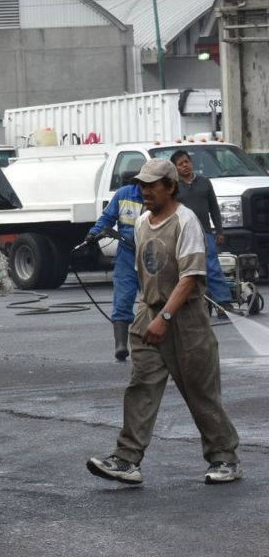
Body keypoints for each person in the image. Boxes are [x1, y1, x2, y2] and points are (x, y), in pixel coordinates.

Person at [86, 158, 242, 486]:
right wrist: (147, 315)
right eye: (142, 185)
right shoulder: (142, 222)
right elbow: (146, 271)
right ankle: (127, 459)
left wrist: (165, 317)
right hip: (149, 314)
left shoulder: (186, 223)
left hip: (185, 321)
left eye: (152, 185)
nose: (145, 191)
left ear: (170, 187)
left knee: (200, 392)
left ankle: (224, 458)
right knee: (141, 385)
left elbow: (189, 279)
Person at [169, 150, 235, 319]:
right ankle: (192, 304)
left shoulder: (204, 182)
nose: (185, 165)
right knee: (187, 270)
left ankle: (224, 302)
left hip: (205, 232)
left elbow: (214, 207)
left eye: (187, 161)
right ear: (175, 168)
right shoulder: (173, 186)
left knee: (212, 267)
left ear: (191, 162)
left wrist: (219, 231)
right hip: (183, 235)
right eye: (180, 164)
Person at [86, 181, 145, 361]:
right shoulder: (124, 194)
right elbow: (107, 218)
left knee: (155, 298)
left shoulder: (161, 196)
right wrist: (93, 233)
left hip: (152, 253)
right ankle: (120, 344)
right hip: (127, 253)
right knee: (123, 297)